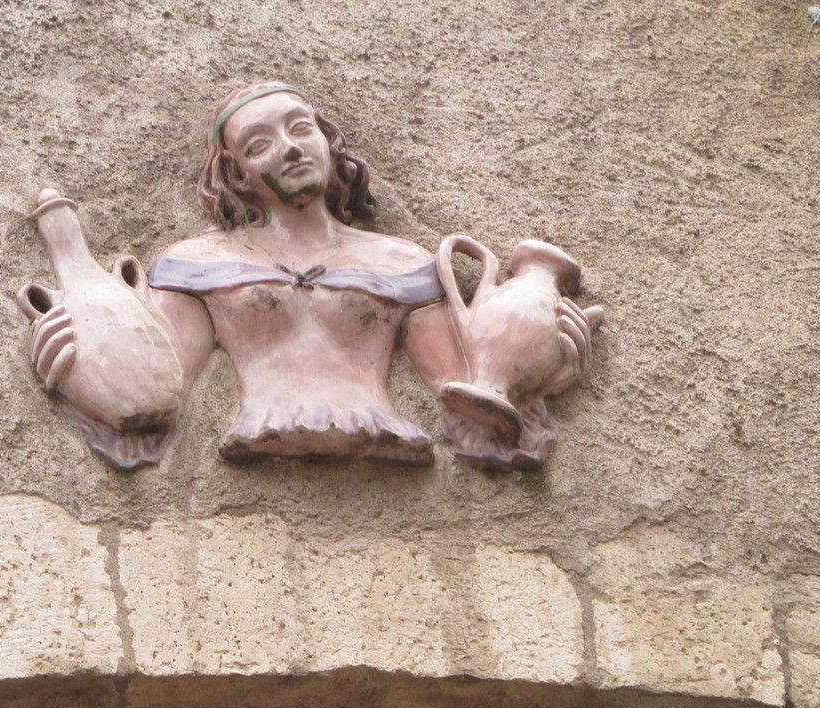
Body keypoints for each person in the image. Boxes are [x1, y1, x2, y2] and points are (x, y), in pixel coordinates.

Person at [31, 82, 596, 465]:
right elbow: (155, 388)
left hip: (386, 436)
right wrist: (78, 365)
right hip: (258, 433)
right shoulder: (196, 263)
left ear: (327, 140)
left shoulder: (402, 262)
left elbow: (467, 392)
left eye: (300, 129)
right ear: (238, 174)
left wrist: (534, 372)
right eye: (260, 144)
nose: (290, 149)